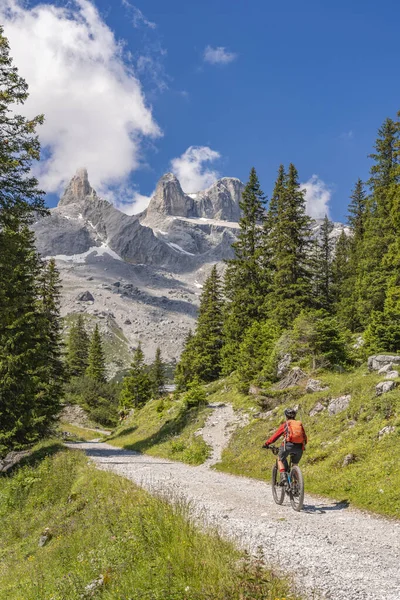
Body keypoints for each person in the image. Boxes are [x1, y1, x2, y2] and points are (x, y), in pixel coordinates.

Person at [262, 408, 307, 486]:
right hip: (300, 447)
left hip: (288, 446)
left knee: (280, 458)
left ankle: (283, 477)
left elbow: (275, 436)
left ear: (286, 416)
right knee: (295, 464)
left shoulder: (286, 424)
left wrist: (266, 444)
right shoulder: (299, 424)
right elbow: (305, 437)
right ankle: (296, 484)